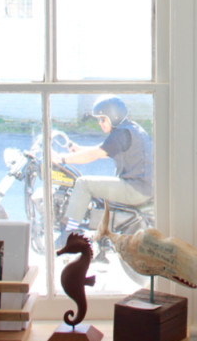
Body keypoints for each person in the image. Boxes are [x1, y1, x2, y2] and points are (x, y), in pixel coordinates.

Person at [56, 95, 153, 243]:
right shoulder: (129, 129)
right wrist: (79, 149)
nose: (100, 123)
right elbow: (105, 150)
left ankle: (69, 233)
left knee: (83, 183)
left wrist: (61, 159)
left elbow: (95, 154)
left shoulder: (120, 134)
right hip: (143, 187)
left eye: (102, 119)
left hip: (136, 189)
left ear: (113, 116)